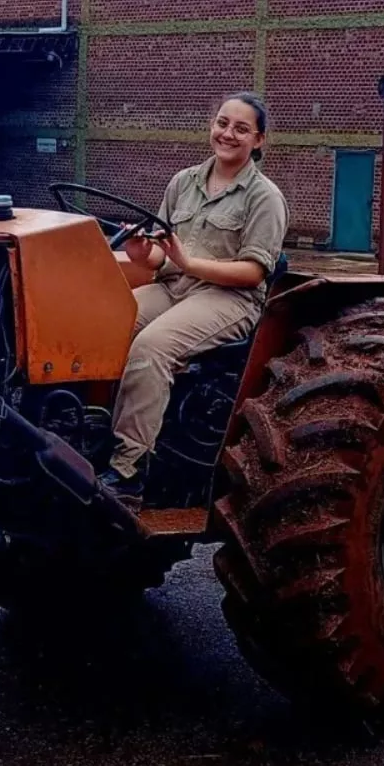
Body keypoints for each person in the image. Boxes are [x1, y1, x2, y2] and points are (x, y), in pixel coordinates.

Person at [105, 92, 288, 504]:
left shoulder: (265, 197)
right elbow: (161, 253)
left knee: (151, 348)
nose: (228, 134)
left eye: (241, 129)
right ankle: (87, 438)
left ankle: (128, 471)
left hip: (228, 299)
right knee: (103, 328)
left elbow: (254, 271)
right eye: (223, 123)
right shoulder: (183, 182)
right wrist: (141, 252)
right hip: (172, 288)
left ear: (258, 141)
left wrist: (188, 263)